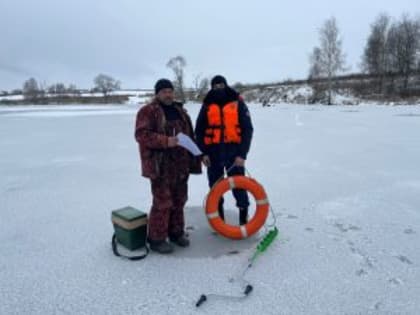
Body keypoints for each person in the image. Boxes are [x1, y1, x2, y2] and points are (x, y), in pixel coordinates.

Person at [135, 79, 201, 254]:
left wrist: (197, 156)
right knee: (163, 202)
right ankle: (156, 239)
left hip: (181, 165)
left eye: (170, 91)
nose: (168, 94)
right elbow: (142, 135)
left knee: (179, 201)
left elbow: (190, 137)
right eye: (164, 91)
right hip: (160, 166)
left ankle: (176, 233)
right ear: (157, 93)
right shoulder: (147, 111)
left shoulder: (180, 112)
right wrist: (166, 141)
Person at [195, 75, 253, 225]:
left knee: (239, 186)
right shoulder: (207, 104)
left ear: (226, 85)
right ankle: (219, 220)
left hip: (234, 153)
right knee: (215, 187)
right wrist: (203, 153)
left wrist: (242, 154)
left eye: (221, 86)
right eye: (215, 87)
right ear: (212, 88)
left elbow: (248, 129)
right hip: (213, 154)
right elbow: (199, 131)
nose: (218, 89)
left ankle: (243, 218)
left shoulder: (237, 102)